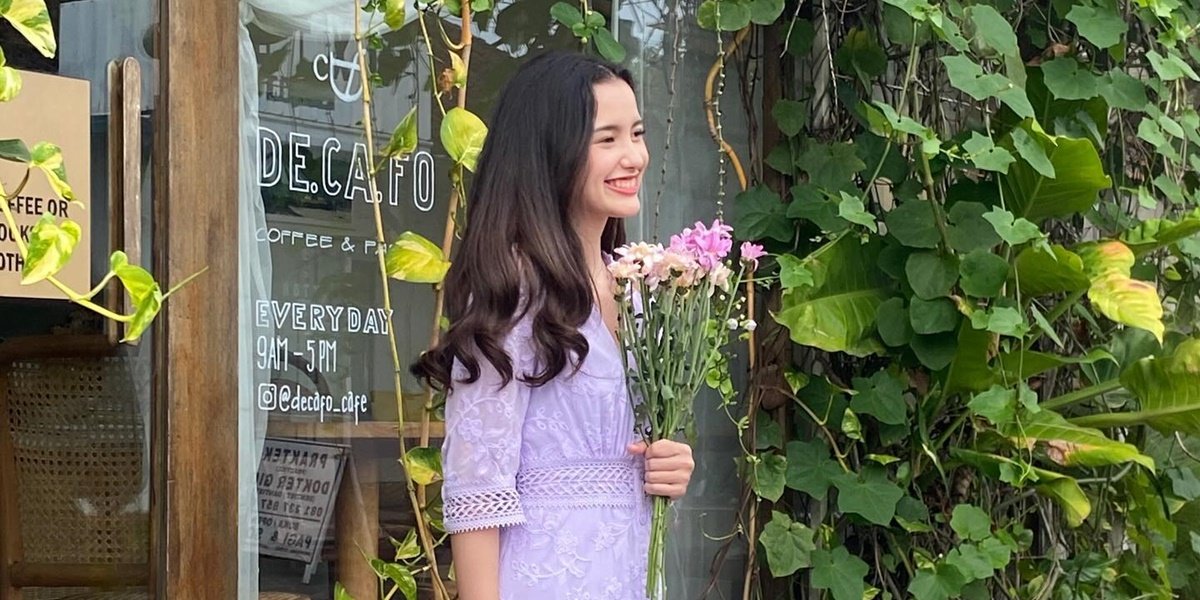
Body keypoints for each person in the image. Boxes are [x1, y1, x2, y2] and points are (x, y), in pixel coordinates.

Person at [411, 51, 696, 599]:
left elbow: (628, 451)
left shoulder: (639, 289)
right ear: (552, 151)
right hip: (544, 576)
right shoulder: (515, 289)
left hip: (632, 574)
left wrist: (669, 463)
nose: (633, 155)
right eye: (606, 139)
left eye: (635, 133)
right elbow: (476, 489)